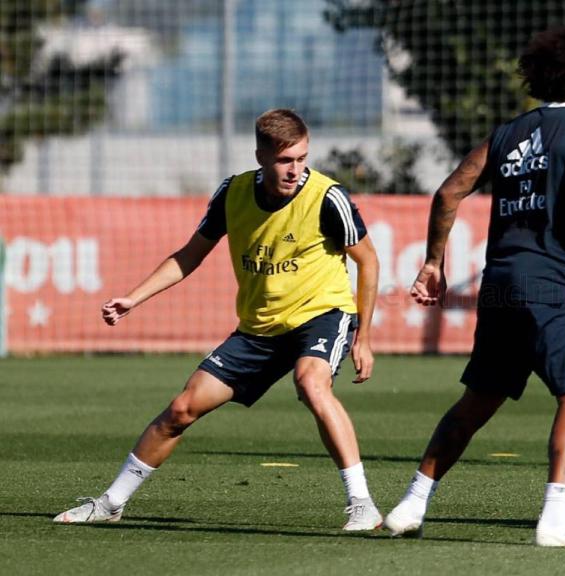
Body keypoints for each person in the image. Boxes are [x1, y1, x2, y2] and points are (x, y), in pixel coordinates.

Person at [53, 109, 384, 531]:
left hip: (321, 314)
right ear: (261, 155)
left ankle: (362, 504)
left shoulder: (326, 196)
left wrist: (365, 336)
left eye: (302, 158)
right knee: (181, 409)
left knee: (311, 383)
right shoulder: (234, 193)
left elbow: (368, 261)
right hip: (258, 328)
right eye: (286, 160)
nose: (295, 170)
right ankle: (110, 502)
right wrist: (133, 299)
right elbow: (190, 255)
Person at [382, 26, 565, 548]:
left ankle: (411, 502)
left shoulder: (508, 133)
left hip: (502, 284)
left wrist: (433, 263)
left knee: (477, 402)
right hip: (558, 282)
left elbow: (448, 193)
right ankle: (556, 518)